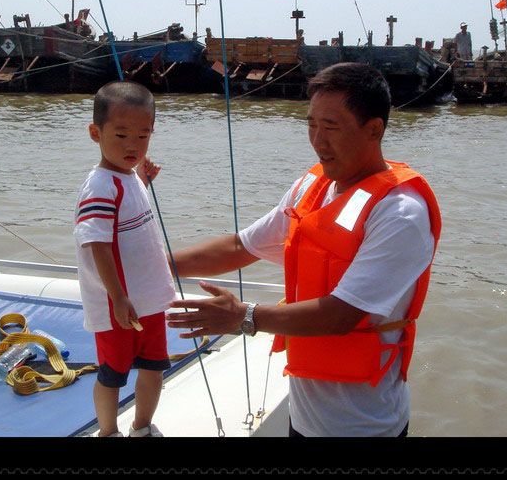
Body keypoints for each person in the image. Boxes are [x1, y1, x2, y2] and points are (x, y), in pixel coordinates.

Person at [166, 63, 442, 437]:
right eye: (311, 125)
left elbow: (340, 315)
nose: (317, 140)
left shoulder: (401, 213)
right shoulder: (311, 188)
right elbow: (239, 246)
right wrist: (156, 266)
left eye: (331, 127)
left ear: (374, 129)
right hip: (305, 417)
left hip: (366, 426)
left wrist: (242, 316)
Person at [74, 80, 174, 438]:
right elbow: (97, 244)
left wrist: (144, 181)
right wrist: (117, 297)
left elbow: (129, 219)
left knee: (153, 366)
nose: (133, 146)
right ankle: (107, 431)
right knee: (112, 373)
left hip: (150, 300)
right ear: (95, 133)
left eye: (143, 136)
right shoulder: (100, 185)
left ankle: (142, 427)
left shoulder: (129, 176)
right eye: (121, 136)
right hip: (119, 304)